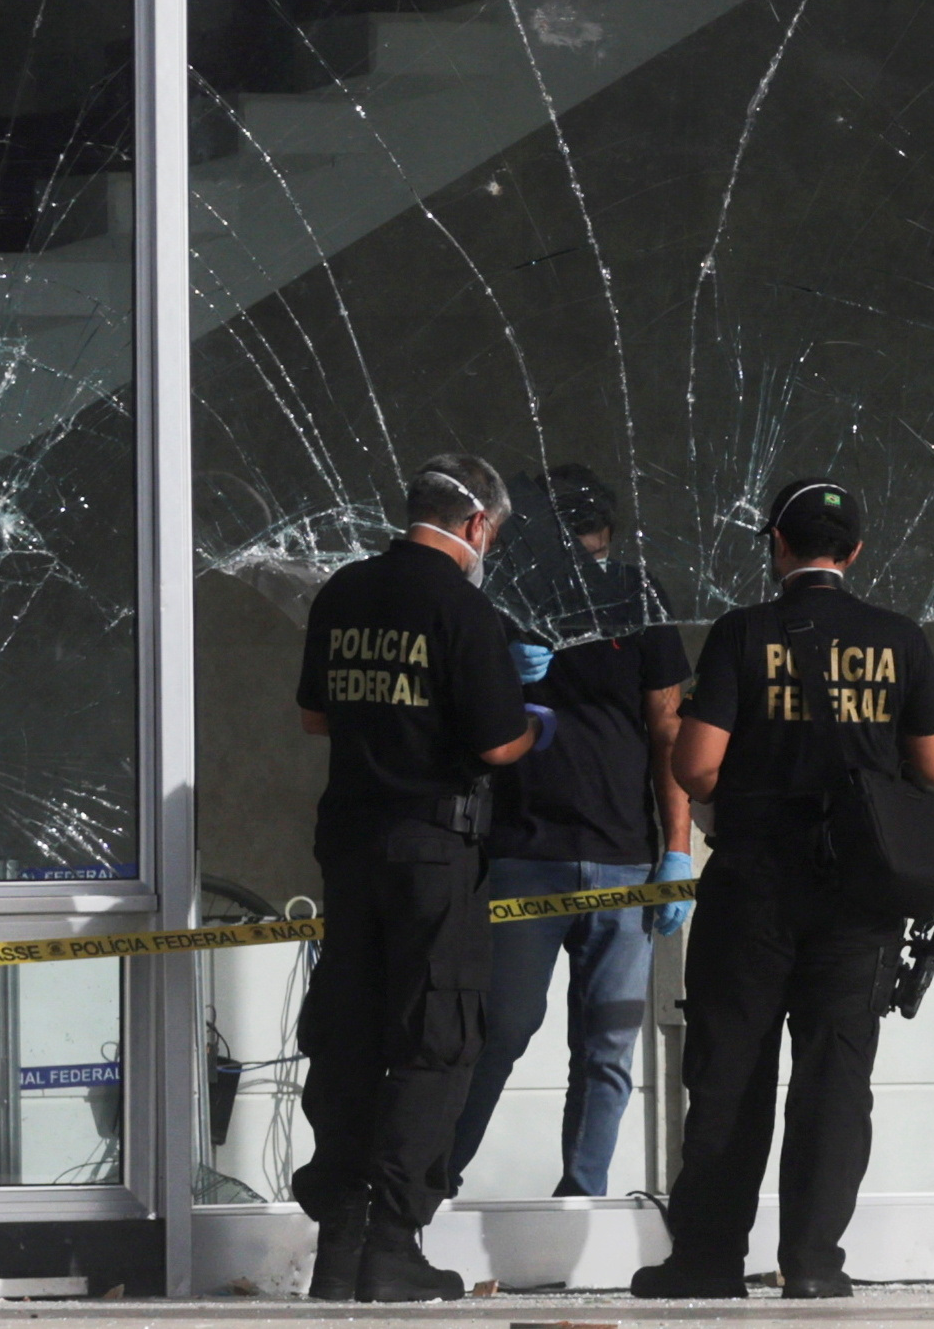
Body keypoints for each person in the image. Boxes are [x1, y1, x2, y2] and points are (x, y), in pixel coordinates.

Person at [631, 480, 934, 1303]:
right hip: (859, 894)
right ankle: (812, 1263)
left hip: (755, 885)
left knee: (732, 1068)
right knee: (836, 1077)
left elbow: (695, 765)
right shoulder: (900, 639)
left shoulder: (745, 634)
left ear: (776, 543)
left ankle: (706, 1260)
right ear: (855, 553)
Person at [294, 454, 542, 1304]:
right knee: (437, 1038)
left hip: (351, 845)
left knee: (350, 1034)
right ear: (477, 525)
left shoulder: (344, 591)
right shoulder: (463, 609)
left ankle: (340, 1245)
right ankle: (395, 1242)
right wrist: (534, 723)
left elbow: (315, 713)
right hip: (435, 851)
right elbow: (501, 745)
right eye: (494, 535)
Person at [447, 464, 697, 1200]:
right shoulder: (502, 603)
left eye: (589, 529)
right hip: (526, 853)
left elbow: (667, 730)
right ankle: (431, 1183)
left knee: (608, 1046)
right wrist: (504, 670)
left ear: (608, 533)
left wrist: (675, 848)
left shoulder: (637, 596)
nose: (582, 544)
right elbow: (463, 724)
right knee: (500, 1030)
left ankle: (581, 1195)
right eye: (568, 530)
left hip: (622, 856)